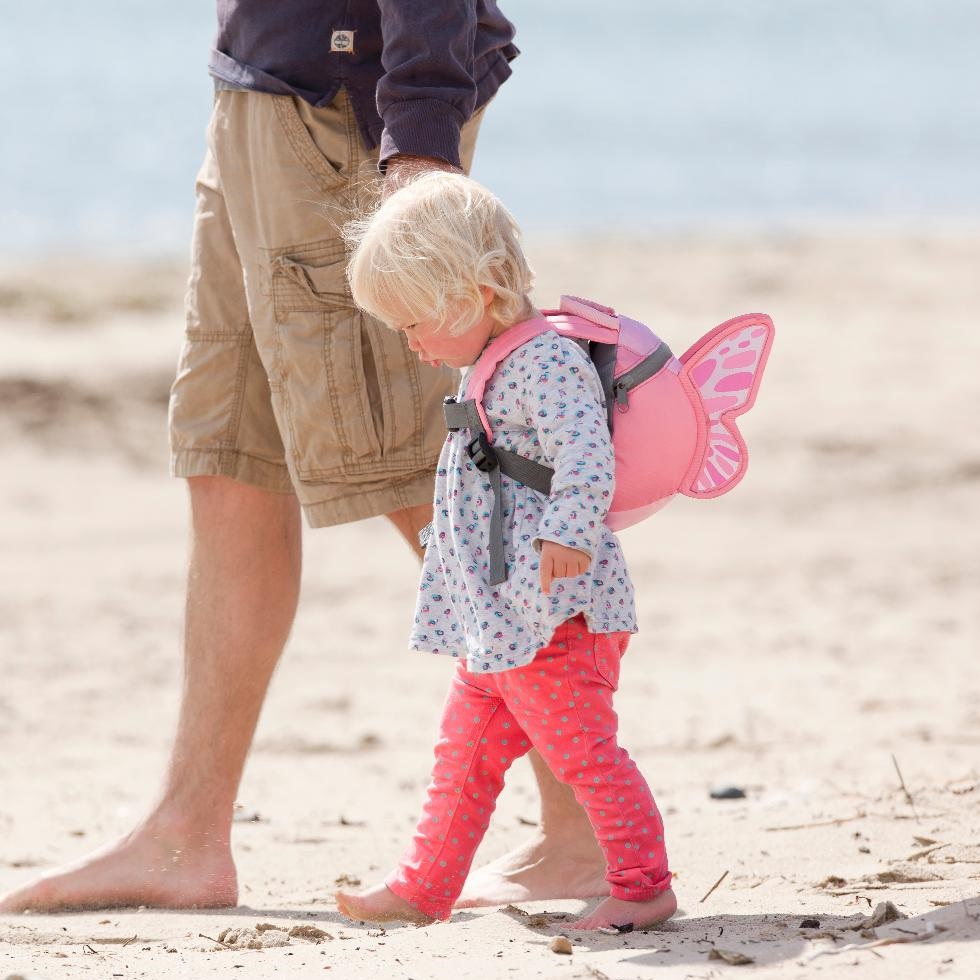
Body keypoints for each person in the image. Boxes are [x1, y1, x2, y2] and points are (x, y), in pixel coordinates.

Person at [0, 2, 608, 914]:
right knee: (232, 453)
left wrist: (420, 142)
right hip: (259, 88)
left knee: (419, 470)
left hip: (341, 115)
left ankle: (583, 830)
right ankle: (185, 834)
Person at [334, 173, 678, 929]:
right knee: (461, 758)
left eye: (415, 323)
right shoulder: (493, 357)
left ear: (479, 292)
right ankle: (423, 886)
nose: (411, 343)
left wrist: (568, 532)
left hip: (556, 614)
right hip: (503, 615)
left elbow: (586, 454)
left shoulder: (546, 360)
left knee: (584, 752)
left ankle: (643, 884)